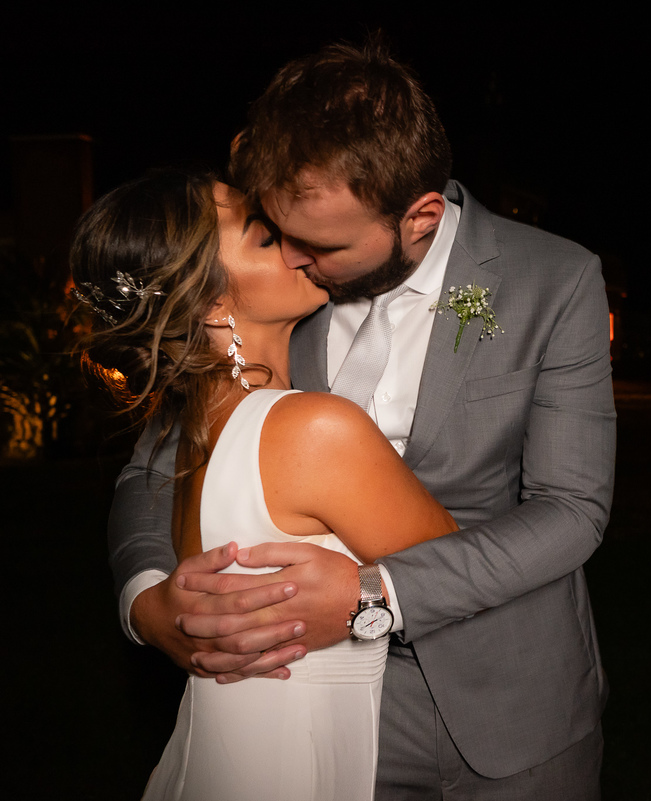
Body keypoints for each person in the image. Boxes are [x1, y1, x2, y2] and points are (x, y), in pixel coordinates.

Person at [110, 39, 616, 799]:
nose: (292, 256)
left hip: (513, 699)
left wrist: (376, 595)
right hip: (326, 706)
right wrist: (148, 602)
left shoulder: (556, 280)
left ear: (419, 217)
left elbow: (573, 510)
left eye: (321, 244)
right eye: (274, 229)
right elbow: (151, 468)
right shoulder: (277, 301)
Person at [74, 170, 459, 799]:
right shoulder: (314, 430)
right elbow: (467, 576)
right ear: (211, 305)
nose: (298, 242)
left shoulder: (197, 432)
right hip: (290, 761)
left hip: (223, 748)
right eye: (265, 236)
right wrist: (370, 594)